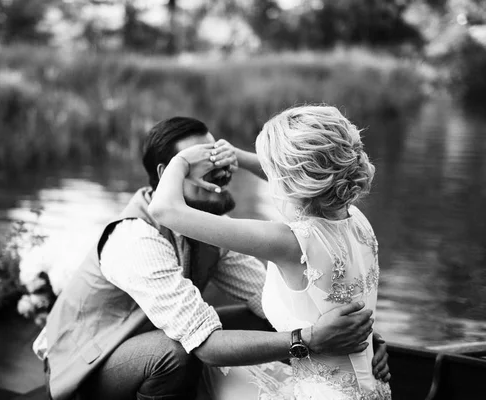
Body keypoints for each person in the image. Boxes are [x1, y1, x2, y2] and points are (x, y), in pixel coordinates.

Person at [36, 116, 390, 400]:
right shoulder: (134, 238)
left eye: (221, 158)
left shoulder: (225, 231)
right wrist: (308, 339)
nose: (224, 172)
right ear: (167, 175)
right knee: (174, 352)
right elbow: (203, 344)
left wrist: (363, 337)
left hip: (163, 336)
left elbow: (261, 297)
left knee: (260, 320)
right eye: (206, 163)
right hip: (92, 366)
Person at [149, 107, 392, 399]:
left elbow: (163, 209)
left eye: (272, 171)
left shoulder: (289, 241)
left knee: (211, 371)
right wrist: (231, 154)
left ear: (288, 179)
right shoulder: (357, 222)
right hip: (375, 389)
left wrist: (182, 161)